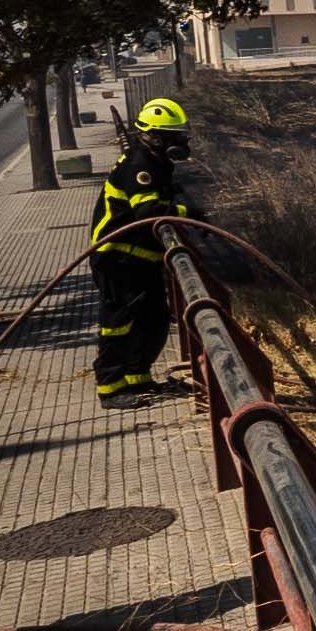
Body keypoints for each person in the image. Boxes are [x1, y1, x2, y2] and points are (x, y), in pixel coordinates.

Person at [89, 95, 196, 402]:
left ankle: (138, 378)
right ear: (157, 137)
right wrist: (189, 215)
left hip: (140, 258)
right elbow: (148, 214)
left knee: (154, 319)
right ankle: (110, 388)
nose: (183, 142)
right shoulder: (140, 165)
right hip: (118, 259)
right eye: (177, 137)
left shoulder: (156, 161)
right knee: (117, 324)